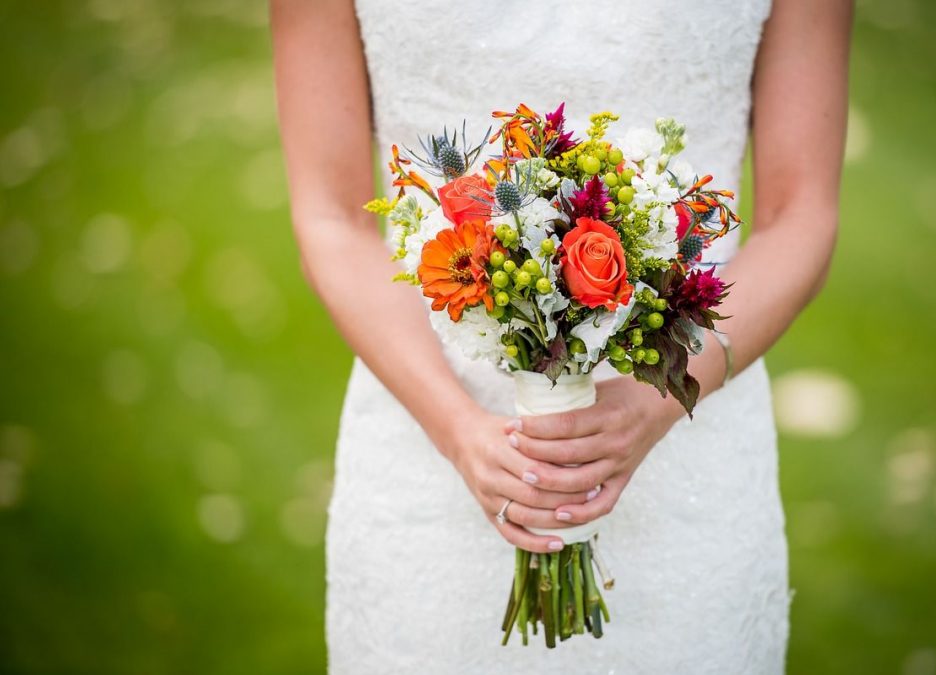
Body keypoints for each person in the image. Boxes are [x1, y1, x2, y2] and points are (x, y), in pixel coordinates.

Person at [269, 0, 851, 671]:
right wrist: (458, 431)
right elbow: (332, 215)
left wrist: (661, 398)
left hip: (692, 446)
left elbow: (800, 212)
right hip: (425, 451)